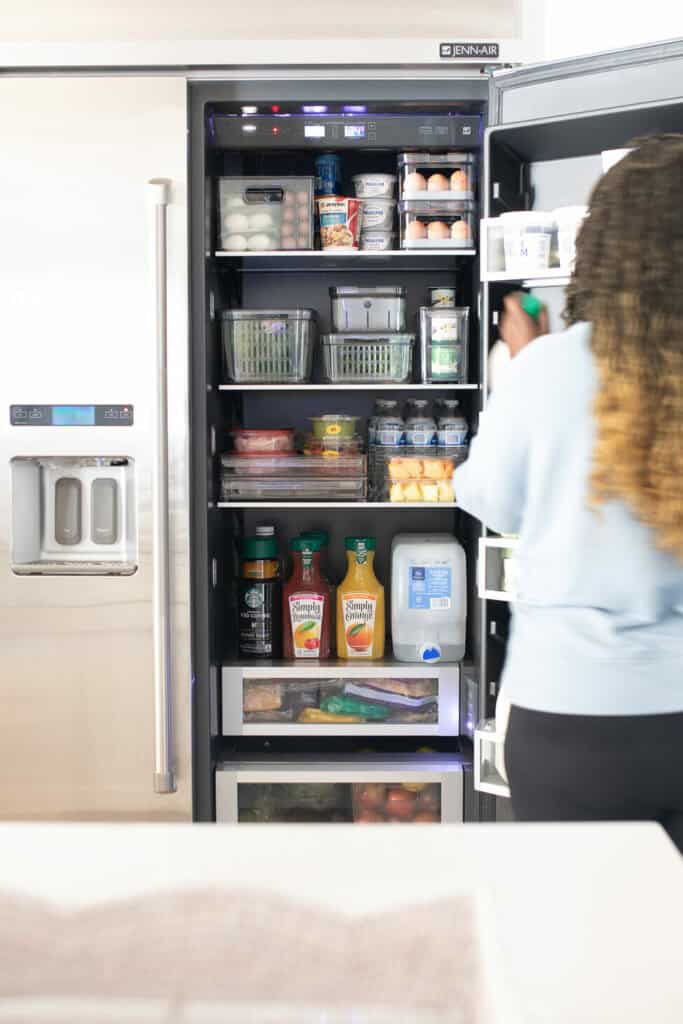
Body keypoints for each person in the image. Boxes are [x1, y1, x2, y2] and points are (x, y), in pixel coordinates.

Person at [454, 135, 683, 852]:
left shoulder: (547, 368)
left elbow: (493, 499)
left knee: (585, 945)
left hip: (568, 717)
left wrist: (523, 364)